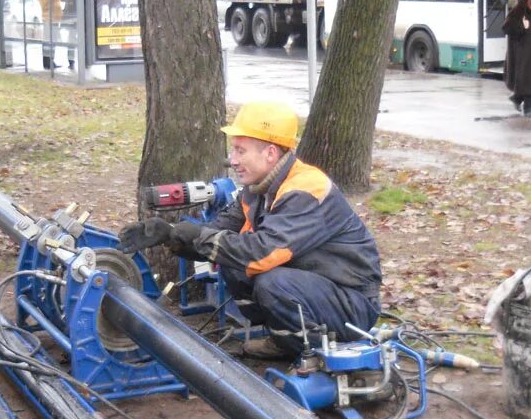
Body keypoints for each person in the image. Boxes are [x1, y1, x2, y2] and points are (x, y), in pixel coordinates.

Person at [117, 101, 383, 359]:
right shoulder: (257, 189)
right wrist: (169, 234)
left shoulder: (305, 189)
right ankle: (286, 340)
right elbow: (218, 232)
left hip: (351, 302)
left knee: (269, 279)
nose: (232, 160)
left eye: (240, 151)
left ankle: (318, 356)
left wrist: (198, 237)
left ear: (269, 153)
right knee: (232, 261)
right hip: (313, 284)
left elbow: (262, 254)